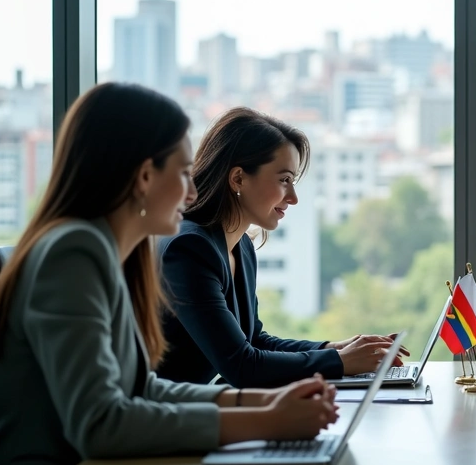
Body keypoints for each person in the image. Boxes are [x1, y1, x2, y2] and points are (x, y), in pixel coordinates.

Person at [0, 83, 338, 465]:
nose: (194, 192)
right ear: (144, 177)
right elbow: (101, 425)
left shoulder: (113, 253)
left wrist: (260, 404)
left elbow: (142, 387)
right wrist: (266, 422)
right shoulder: (73, 254)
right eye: (182, 174)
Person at [157, 107, 403, 389]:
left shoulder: (241, 246)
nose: (294, 198)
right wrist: (341, 361)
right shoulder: (188, 248)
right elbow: (242, 365)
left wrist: (336, 348)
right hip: (153, 421)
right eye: (284, 180)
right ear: (238, 178)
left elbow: (255, 340)